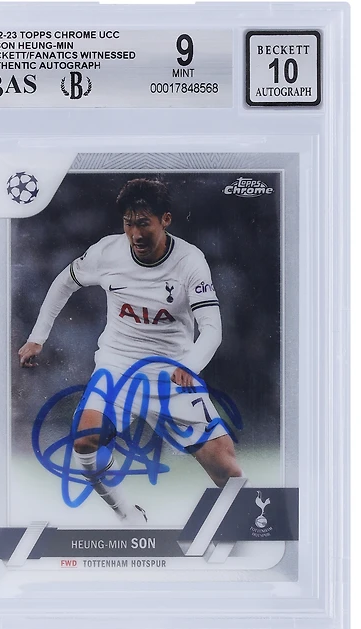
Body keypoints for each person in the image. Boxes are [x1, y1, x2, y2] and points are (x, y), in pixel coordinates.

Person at [18, 178, 243, 524]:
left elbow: (212, 329)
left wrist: (190, 365)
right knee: (84, 441)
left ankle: (250, 531)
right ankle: (128, 516)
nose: (135, 233)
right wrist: (37, 337)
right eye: (128, 223)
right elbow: (65, 281)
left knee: (227, 471)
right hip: (118, 367)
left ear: (165, 220)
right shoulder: (107, 253)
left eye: (143, 223)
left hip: (172, 374)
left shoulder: (190, 261)